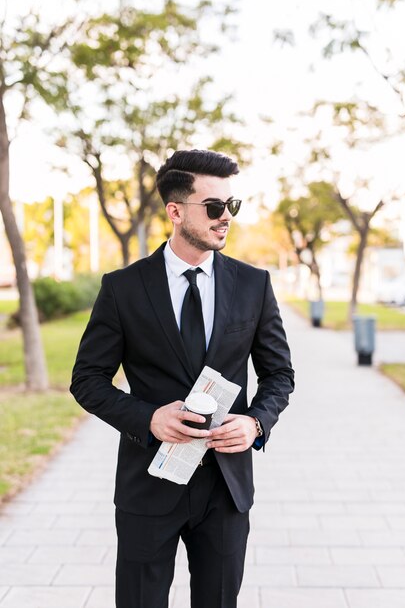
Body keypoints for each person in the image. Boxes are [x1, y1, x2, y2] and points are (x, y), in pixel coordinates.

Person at [70, 149, 294, 608]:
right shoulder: (123, 288)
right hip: (148, 485)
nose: (225, 218)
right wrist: (147, 418)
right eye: (214, 207)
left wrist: (255, 423)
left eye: (232, 205)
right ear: (175, 211)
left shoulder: (254, 285)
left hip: (225, 489)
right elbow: (87, 379)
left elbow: (279, 374)